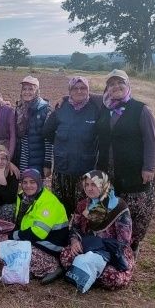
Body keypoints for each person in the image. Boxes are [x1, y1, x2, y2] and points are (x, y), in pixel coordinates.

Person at [96, 69, 155, 256]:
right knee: (108, 205)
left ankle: (133, 243)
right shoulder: (105, 108)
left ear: (128, 85)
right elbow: (84, 96)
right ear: (107, 89)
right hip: (108, 168)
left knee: (136, 209)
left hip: (133, 169)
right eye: (111, 84)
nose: (116, 87)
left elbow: (151, 139)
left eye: (120, 83)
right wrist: (65, 98)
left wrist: (149, 167)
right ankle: (112, 241)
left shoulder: (141, 109)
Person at [60, 170, 134, 291]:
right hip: (87, 247)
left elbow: (123, 242)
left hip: (111, 252)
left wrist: (100, 251)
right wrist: (74, 242)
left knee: (114, 278)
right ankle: (88, 273)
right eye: (87, 185)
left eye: (93, 184)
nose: (89, 189)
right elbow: (75, 227)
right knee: (65, 256)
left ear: (103, 185)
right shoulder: (83, 205)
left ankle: (84, 273)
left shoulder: (119, 207)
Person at [0, 169, 69, 284]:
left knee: (8, 245)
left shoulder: (48, 202)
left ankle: (51, 266)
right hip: (33, 240)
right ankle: (26, 268)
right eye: (25, 182)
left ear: (39, 183)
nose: (28, 186)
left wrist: (13, 236)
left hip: (49, 246)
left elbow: (38, 233)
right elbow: (22, 223)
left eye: (32, 182)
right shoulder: (23, 197)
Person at [43, 76, 100, 217]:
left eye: (83, 88)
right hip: (63, 170)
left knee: (83, 211)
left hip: (86, 171)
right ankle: (62, 236)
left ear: (88, 90)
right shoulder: (61, 108)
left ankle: (79, 237)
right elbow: (46, 131)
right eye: (75, 88)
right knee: (60, 209)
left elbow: (108, 96)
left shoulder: (96, 109)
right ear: (70, 91)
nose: (79, 91)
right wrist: (60, 144)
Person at [15, 76, 53, 178]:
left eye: (31, 89)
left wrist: (47, 164)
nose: (27, 92)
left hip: (37, 160)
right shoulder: (18, 108)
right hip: (21, 158)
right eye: (24, 89)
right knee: (24, 186)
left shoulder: (45, 110)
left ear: (37, 91)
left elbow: (49, 141)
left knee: (35, 187)